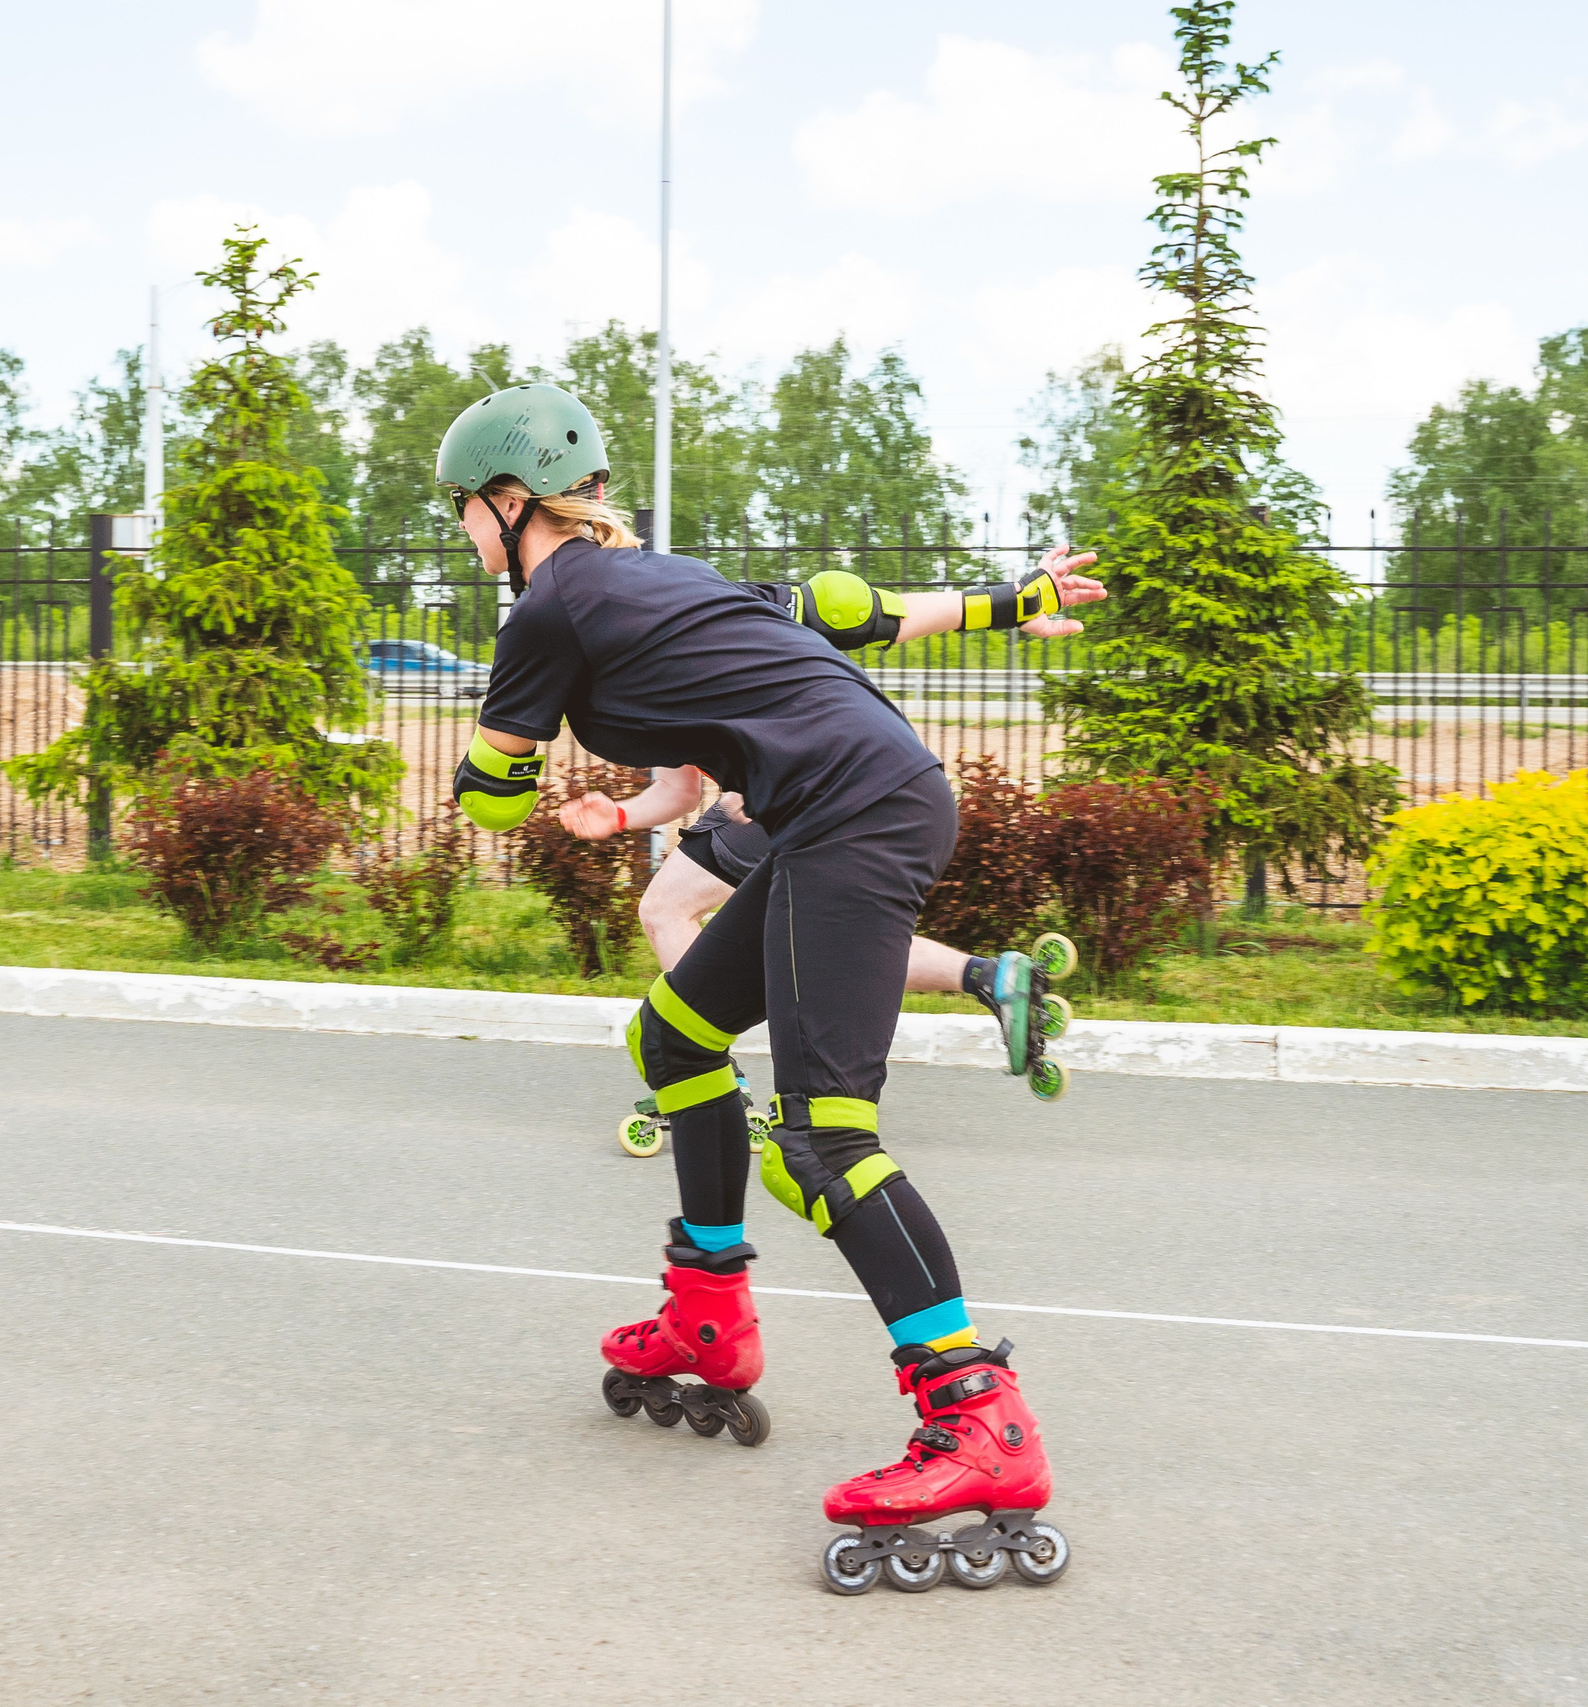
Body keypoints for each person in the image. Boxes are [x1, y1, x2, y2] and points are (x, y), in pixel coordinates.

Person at [438, 382, 1104, 1592]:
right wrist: (1023, 596)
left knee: (825, 1141)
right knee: (677, 1037)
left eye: (466, 515)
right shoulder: (655, 578)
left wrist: (516, 777)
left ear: (510, 499)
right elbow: (852, 609)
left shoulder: (552, 605)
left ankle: (978, 1418)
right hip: (849, 810)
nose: (465, 538)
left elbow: (486, 793)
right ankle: (709, 1314)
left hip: (852, 816)